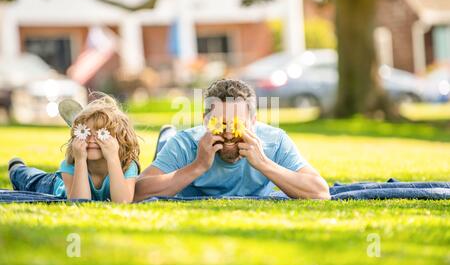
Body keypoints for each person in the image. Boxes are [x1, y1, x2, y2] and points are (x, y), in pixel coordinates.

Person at [134, 79, 330, 201]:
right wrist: (198, 166)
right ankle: (166, 135)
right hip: (177, 149)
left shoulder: (274, 141)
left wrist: (264, 163)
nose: (228, 134)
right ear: (205, 120)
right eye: (220, 124)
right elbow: (137, 192)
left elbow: (320, 193)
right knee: (168, 144)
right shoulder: (185, 143)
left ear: (254, 122)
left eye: (238, 124)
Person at [8, 93, 140, 203]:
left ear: (119, 139)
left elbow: (122, 202)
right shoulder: (71, 163)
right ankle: (17, 168)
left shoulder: (126, 165)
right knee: (31, 179)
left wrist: (112, 157)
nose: (92, 139)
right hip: (53, 186)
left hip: (115, 159)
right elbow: (79, 201)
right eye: (85, 132)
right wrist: (80, 159)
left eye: (102, 133)